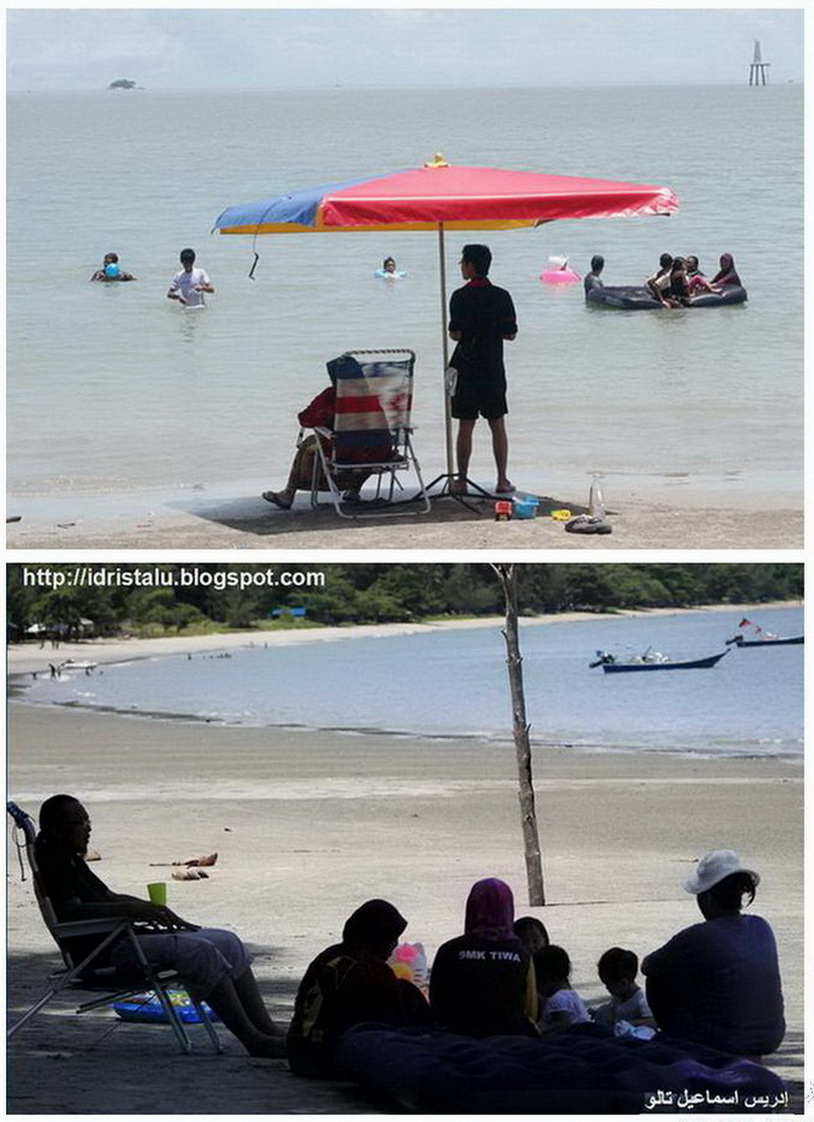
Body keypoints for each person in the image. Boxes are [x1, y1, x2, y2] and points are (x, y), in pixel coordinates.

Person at [34, 794, 287, 1057]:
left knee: (228, 941)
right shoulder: (53, 860)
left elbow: (107, 896)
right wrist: (130, 910)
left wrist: (148, 908)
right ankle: (252, 1039)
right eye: (79, 822)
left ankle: (266, 1027)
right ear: (56, 829)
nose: (88, 828)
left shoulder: (69, 857)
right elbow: (71, 911)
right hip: (104, 951)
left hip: (122, 936)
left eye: (88, 821)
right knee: (200, 952)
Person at [641, 850, 785, 1058]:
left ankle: (680, 1042)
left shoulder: (698, 937)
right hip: (770, 1037)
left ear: (706, 898)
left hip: (721, 1041)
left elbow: (648, 966)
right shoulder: (761, 926)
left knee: (657, 979)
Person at [287, 899, 431, 1077]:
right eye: (391, 938)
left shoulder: (330, 955)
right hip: (327, 1060)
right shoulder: (368, 968)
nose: (394, 946)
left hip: (301, 1051)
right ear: (378, 938)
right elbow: (394, 1018)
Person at [261, 356, 393, 510]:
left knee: (309, 443)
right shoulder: (370, 396)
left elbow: (306, 419)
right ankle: (353, 490)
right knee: (366, 443)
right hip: (381, 455)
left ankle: (288, 493)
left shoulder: (332, 395)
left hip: (346, 454)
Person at [447, 244, 517, 496]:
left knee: (466, 425)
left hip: (465, 366)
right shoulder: (501, 296)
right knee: (497, 423)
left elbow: (455, 334)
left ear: (470, 265)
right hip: (492, 366)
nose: (461, 267)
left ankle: (462, 480)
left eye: (463, 263)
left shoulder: (458, 296)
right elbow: (510, 334)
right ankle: (502, 479)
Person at [429, 877, 538, 1037]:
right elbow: (531, 1011)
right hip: (512, 1041)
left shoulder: (449, 951)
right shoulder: (521, 954)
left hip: (458, 1040)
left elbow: (437, 1005)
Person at [590, 947, 654, 1030]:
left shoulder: (641, 1000)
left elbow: (653, 1022)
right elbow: (611, 1008)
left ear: (623, 982)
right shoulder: (618, 997)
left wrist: (630, 1023)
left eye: (609, 985)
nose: (607, 988)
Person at [534, 945, 591, 1033]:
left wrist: (539, 1030)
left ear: (548, 979)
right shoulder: (571, 994)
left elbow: (563, 1024)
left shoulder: (558, 999)